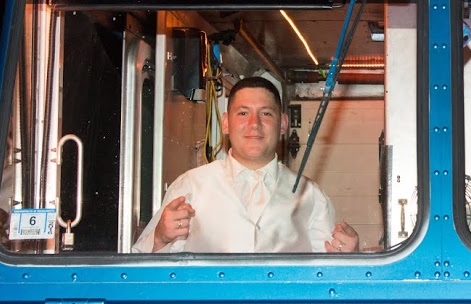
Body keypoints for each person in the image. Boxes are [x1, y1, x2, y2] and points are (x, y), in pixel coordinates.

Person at [133, 76, 364, 254]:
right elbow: (141, 270)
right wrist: (160, 238)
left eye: (266, 114)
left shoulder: (311, 196)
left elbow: (328, 275)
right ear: (226, 123)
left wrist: (350, 258)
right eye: (243, 113)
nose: (254, 124)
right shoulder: (190, 186)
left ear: (283, 124)